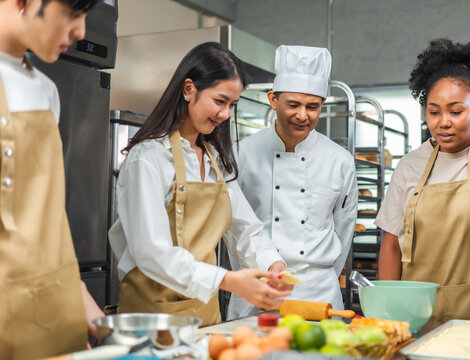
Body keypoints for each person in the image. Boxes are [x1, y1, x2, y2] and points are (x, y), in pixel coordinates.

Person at [108, 42, 292, 327]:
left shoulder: (215, 159)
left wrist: (272, 266)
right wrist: (228, 280)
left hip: (206, 318)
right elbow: (150, 252)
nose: (226, 114)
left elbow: (245, 230)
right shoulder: (148, 158)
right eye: (220, 101)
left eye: (232, 105)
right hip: (153, 322)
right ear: (189, 89)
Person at [376, 38, 470, 332]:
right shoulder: (409, 165)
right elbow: (392, 244)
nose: (443, 122)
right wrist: (388, 318)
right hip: (412, 320)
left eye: (456, 111)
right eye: (434, 112)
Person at [0, 0, 104, 358]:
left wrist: (79, 294)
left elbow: (47, 219)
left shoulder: (46, 91)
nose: (81, 32)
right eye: (74, 13)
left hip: (53, 312)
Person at [227, 45, 358, 319]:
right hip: (257, 290)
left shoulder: (339, 160)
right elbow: (233, 227)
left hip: (318, 295)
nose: (303, 115)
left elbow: (344, 231)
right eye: (293, 105)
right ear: (273, 100)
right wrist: (252, 272)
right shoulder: (241, 153)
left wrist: (320, 276)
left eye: (313, 107)